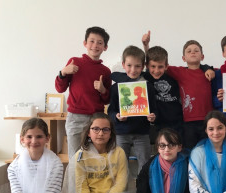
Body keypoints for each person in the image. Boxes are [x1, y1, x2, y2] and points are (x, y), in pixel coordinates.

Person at [140, 32, 215, 149]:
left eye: (160, 67)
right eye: (153, 67)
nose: (156, 70)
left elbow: (214, 70)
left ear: (166, 67)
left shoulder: (174, 74)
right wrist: (146, 46)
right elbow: (151, 61)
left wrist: (207, 68)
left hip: (180, 122)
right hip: (160, 124)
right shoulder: (148, 76)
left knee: (185, 151)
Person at [55, 26, 112, 159]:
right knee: (75, 158)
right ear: (85, 43)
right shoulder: (75, 62)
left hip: (96, 119)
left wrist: (103, 90)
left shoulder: (106, 71)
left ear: (105, 47)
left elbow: (107, 100)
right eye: (92, 41)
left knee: (96, 157)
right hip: (76, 117)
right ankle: (75, 180)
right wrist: (63, 72)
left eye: (100, 42)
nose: (95, 45)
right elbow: (60, 88)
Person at [108, 45, 157, 174]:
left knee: (145, 164)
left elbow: (154, 109)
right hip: (121, 133)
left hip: (142, 132)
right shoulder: (116, 88)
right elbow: (110, 111)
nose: (133, 70)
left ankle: (142, 188)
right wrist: (117, 116)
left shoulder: (148, 87)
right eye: (129, 65)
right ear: (123, 65)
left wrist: (153, 116)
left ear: (143, 67)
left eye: (137, 66)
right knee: (120, 166)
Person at [64, 112, 128, 193]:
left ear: (111, 133)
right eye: (96, 129)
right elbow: (81, 187)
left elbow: (121, 184)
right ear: (88, 133)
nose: (101, 133)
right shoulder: (81, 156)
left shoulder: (119, 153)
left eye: (105, 129)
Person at [188, 110, 226, 193]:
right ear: (206, 131)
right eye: (211, 129)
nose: (215, 133)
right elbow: (194, 186)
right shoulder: (197, 153)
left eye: (220, 128)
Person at [7, 118, 63, 193]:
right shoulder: (14, 167)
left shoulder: (56, 164)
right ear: (22, 139)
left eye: (39, 136)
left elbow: (52, 191)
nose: (34, 141)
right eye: (29, 137)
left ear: (47, 138)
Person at [136, 128, 189, 193]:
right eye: (162, 145)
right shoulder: (148, 167)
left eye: (171, 145)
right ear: (158, 148)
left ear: (179, 148)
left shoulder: (188, 166)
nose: (167, 149)